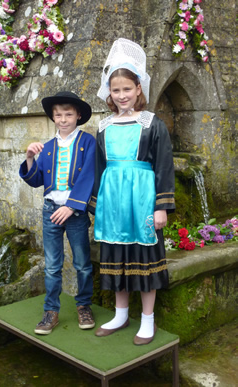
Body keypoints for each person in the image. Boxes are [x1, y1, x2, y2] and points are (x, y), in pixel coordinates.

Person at [88, 38, 175, 345]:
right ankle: (121, 313)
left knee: (145, 257)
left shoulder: (153, 125)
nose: (122, 95)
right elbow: (98, 168)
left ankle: (147, 319)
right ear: (109, 93)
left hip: (142, 203)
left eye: (127, 89)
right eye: (116, 90)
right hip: (113, 204)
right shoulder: (103, 126)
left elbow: (164, 166)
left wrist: (161, 206)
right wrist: (96, 205)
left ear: (139, 88)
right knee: (116, 255)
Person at [20, 91, 96, 335]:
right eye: (58, 115)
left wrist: (72, 205)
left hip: (75, 212)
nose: (63, 119)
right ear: (53, 117)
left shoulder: (88, 142)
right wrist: (30, 158)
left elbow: (89, 176)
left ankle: (84, 306)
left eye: (68, 114)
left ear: (78, 116)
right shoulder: (49, 147)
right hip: (50, 210)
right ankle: (50, 311)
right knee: (52, 266)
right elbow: (36, 180)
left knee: (83, 264)